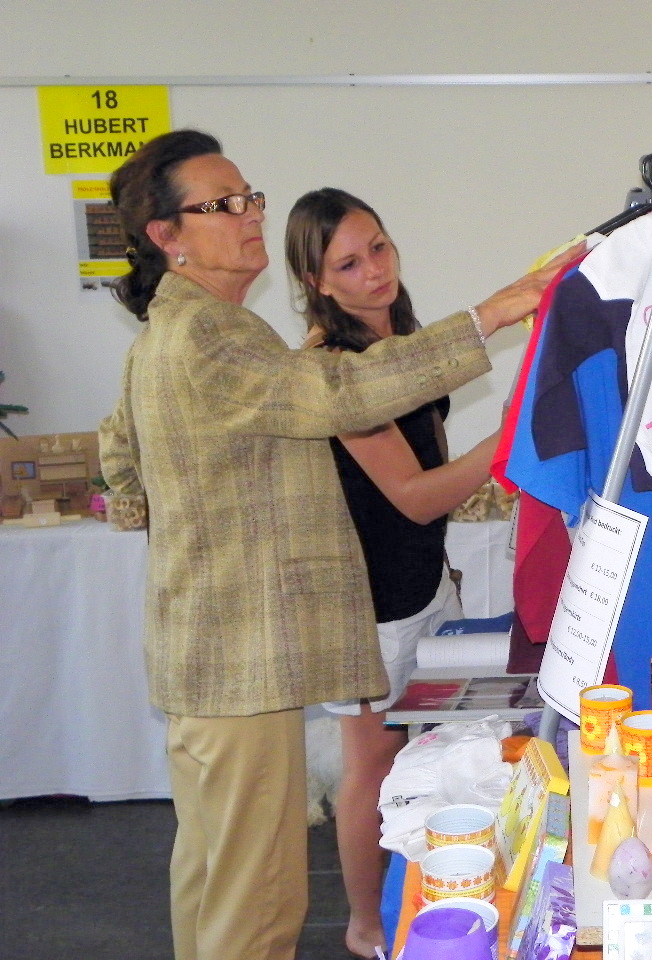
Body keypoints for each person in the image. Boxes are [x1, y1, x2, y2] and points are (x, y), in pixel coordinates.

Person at [98, 129, 577, 960]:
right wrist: (494, 313)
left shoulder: (173, 334)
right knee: (256, 902)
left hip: (211, 659)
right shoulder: (211, 336)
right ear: (167, 236)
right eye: (223, 205)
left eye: (249, 196)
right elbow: (347, 392)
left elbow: (120, 451)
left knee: (214, 879)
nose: (250, 215)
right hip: (240, 664)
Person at [283, 187, 500, 958]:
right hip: (368, 608)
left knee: (428, 753)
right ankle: (365, 927)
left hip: (419, 583)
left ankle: (428, 894)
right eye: (348, 263)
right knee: (371, 766)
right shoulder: (335, 368)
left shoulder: (398, 337)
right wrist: (507, 442)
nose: (374, 269)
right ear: (315, 280)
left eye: (378, 247)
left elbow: (425, 464)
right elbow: (413, 495)